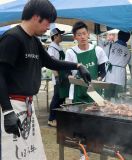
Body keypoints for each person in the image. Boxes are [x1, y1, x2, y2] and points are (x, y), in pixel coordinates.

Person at [0, 1, 91, 159]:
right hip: (12, 105)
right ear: (36, 17)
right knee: (13, 153)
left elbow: (50, 62)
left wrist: (78, 65)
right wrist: (7, 111)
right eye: (48, 22)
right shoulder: (12, 38)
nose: (49, 27)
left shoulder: (34, 41)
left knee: (31, 153)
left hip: (27, 106)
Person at [65, 21, 108, 103]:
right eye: (79, 35)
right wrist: (70, 77)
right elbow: (66, 73)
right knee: (78, 114)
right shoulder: (70, 52)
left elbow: (103, 72)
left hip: (95, 91)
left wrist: (98, 80)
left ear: (88, 34)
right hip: (78, 92)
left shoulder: (97, 50)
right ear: (75, 37)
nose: (82, 37)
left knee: (96, 113)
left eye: (84, 33)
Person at [47, 28, 69, 127]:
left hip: (63, 76)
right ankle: (51, 119)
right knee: (56, 98)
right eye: (60, 34)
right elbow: (52, 64)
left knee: (61, 98)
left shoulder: (58, 46)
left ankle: (58, 118)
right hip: (58, 77)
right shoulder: (52, 48)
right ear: (55, 36)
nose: (62, 36)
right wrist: (56, 77)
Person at [104, 31, 131, 101]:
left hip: (109, 75)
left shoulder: (110, 46)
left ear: (118, 36)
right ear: (128, 39)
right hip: (120, 77)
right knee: (118, 99)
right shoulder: (128, 51)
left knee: (107, 99)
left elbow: (104, 59)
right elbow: (131, 66)